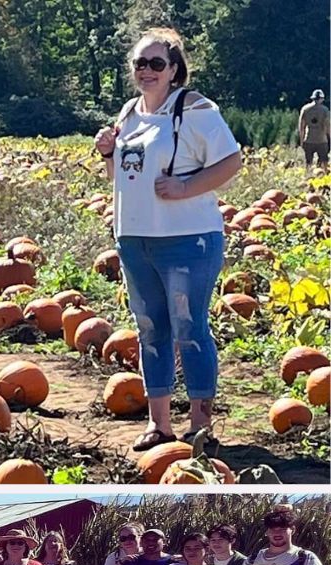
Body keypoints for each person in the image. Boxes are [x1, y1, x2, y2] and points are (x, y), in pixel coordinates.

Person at [94, 28, 242, 451]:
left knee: (190, 326)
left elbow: (232, 160)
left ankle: (200, 425)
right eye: (140, 63)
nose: (147, 70)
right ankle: (159, 425)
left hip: (188, 239)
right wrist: (108, 153)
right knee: (149, 328)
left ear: (174, 69)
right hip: (135, 237)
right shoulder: (129, 113)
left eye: (156, 63)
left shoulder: (194, 108)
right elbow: (120, 176)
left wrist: (185, 187)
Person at [298, 89, 330, 169]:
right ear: (322, 98)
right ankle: (324, 179)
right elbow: (328, 126)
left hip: (309, 139)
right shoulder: (325, 110)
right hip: (322, 140)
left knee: (308, 163)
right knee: (324, 162)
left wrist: (301, 141)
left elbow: (301, 127)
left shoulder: (305, 109)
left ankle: (308, 177)